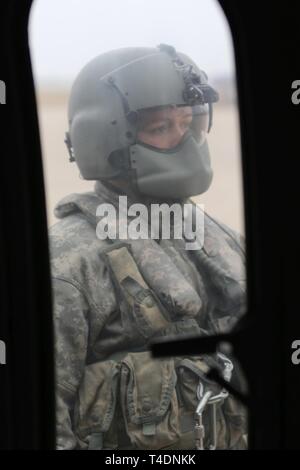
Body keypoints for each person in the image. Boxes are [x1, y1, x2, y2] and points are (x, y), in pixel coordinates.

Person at [50, 44, 247, 450]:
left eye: (190, 123)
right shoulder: (71, 267)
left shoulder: (223, 243)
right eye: (161, 128)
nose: (186, 140)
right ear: (105, 139)